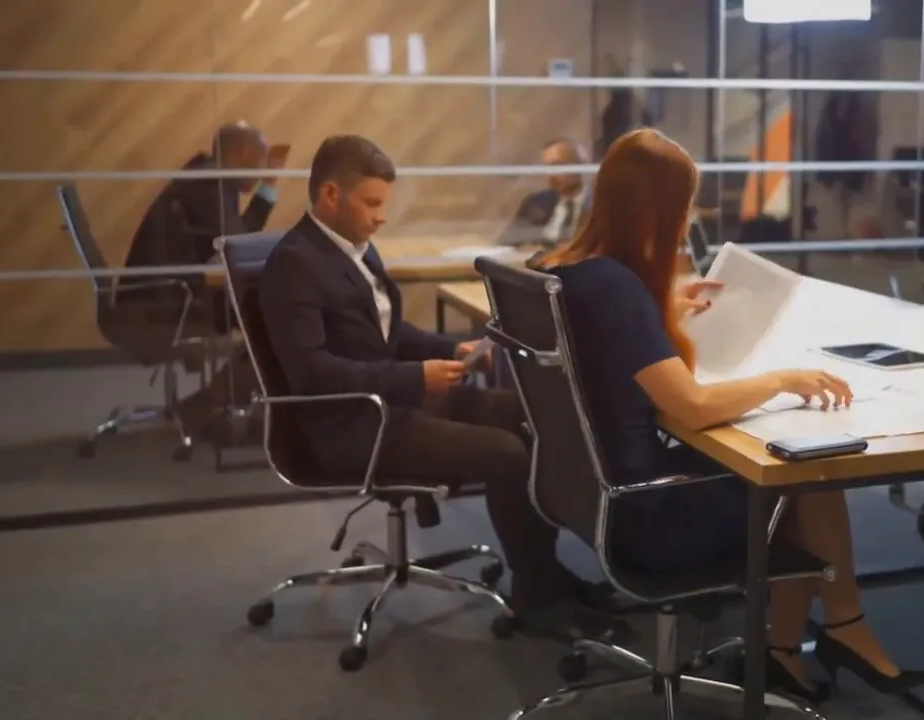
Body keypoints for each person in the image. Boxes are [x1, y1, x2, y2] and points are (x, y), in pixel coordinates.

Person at [533, 128, 924, 703]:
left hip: (591, 494)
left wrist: (661, 308)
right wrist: (782, 379)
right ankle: (832, 632)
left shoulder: (568, 268)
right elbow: (691, 408)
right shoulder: (616, 289)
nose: (691, 214)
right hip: (647, 515)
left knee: (800, 470)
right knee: (810, 474)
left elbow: (602, 336)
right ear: (658, 208)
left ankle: (801, 648)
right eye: (685, 203)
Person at [257, 135, 611, 638]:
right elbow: (312, 373)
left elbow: (388, 332)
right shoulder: (296, 264)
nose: (381, 217)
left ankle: (546, 573)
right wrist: (414, 376)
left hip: (390, 403)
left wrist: (447, 350)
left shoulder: (351, 248)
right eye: (372, 204)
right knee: (507, 453)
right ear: (330, 195)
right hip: (353, 425)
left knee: (524, 411)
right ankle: (538, 595)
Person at [121, 121, 290, 438]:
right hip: (161, 304)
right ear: (241, 153)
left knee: (276, 315)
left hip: (167, 296)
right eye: (261, 159)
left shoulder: (208, 178)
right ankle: (218, 403)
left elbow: (238, 236)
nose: (262, 168)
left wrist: (270, 181)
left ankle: (228, 404)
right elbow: (238, 245)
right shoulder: (207, 185)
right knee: (283, 318)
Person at [497, 138, 592, 248]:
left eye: (557, 165)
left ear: (578, 165)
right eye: (547, 168)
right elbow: (507, 241)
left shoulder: (599, 204)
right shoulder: (536, 203)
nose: (551, 174)